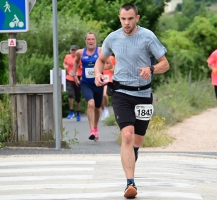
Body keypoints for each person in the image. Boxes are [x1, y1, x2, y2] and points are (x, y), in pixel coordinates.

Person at [94, 3, 169, 198]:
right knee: (127, 135)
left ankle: (133, 153)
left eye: (130, 19)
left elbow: (165, 64)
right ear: (119, 18)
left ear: (137, 18)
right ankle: (130, 184)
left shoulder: (148, 37)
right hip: (121, 93)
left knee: (138, 140)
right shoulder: (113, 37)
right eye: (123, 19)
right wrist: (97, 73)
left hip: (144, 94)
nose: (126, 23)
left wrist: (151, 69)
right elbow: (101, 59)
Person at [72, 32, 113, 141]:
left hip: (98, 83)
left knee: (97, 108)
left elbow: (110, 64)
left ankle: (95, 128)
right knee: (91, 103)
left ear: (96, 40)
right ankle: (91, 131)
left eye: (92, 39)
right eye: (88, 39)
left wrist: (98, 70)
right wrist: (75, 74)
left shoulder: (101, 51)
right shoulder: (80, 52)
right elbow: (76, 62)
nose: (90, 41)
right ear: (85, 41)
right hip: (86, 83)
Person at [63, 45, 82, 121]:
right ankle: (71, 111)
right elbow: (64, 63)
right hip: (70, 78)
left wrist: (80, 67)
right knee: (70, 94)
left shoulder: (80, 57)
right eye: (72, 50)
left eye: (74, 50)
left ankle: (78, 112)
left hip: (78, 77)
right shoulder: (67, 56)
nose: (73, 52)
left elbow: (83, 66)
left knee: (78, 96)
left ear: (77, 51)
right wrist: (66, 66)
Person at [100, 55, 116, 120]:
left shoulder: (111, 58)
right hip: (100, 78)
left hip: (108, 79)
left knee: (105, 95)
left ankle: (106, 109)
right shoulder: (99, 57)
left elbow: (113, 69)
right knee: (100, 97)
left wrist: (106, 67)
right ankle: (103, 110)